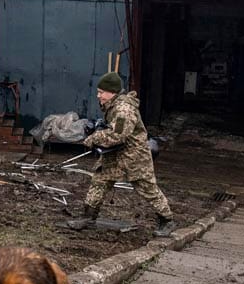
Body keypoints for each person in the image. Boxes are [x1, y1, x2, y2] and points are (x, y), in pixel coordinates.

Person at [66, 72, 175, 237]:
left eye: (101, 92)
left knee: (147, 188)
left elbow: (118, 135)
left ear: (113, 92)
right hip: (116, 154)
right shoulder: (113, 105)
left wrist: (94, 138)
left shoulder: (124, 109)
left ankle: (167, 220)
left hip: (134, 157)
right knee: (99, 181)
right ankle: (88, 217)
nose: (98, 96)